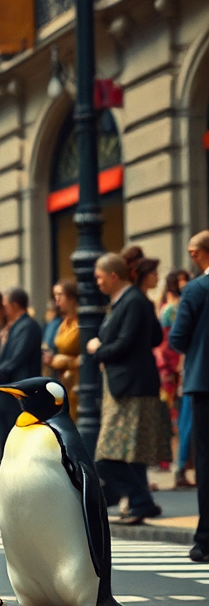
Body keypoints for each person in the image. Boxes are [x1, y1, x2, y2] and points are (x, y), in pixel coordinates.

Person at [88, 252, 171, 525]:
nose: (96, 283)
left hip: (130, 386)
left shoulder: (132, 301)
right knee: (131, 455)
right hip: (128, 385)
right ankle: (140, 503)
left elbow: (124, 343)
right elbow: (155, 336)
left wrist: (99, 349)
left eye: (99, 277)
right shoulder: (133, 301)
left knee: (105, 456)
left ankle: (141, 501)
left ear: (113, 276)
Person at [168, 230, 209, 561]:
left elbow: (178, 338)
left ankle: (206, 539)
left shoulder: (196, 289)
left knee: (205, 461)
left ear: (197, 254)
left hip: (204, 382)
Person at [0, 288, 43, 454]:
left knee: (17, 441)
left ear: (15, 305)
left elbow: (16, 360)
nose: (4, 309)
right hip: (8, 393)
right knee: (5, 440)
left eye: (5, 305)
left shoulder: (28, 326)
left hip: (18, 393)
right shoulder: (15, 326)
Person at [159, 269, 192, 486]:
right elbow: (169, 343)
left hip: (170, 370)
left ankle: (176, 463)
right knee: (180, 420)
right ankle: (179, 465)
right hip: (175, 370)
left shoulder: (166, 306)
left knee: (176, 419)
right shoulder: (175, 307)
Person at [44, 279, 80, 421]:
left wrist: (68, 361)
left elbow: (88, 356)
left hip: (77, 381)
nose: (56, 299)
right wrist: (52, 359)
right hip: (63, 381)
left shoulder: (81, 322)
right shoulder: (63, 323)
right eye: (55, 295)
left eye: (60, 295)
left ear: (71, 298)